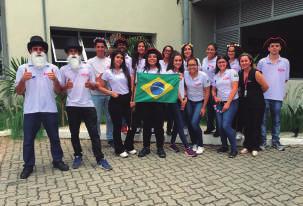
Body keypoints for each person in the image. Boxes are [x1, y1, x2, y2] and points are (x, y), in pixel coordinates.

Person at [15, 36, 69, 179]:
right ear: (30, 51)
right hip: (31, 110)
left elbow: (59, 91)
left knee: (54, 138)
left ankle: (57, 160)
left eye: (41, 49)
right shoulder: (23, 68)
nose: (38, 51)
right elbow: (19, 91)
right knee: (28, 141)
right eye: (35, 49)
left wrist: (55, 80)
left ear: (44, 51)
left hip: (49, 109)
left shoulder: (53, 68)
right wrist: (23, 80)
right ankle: (28, 166)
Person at [60, 38, 112, 170]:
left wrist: (92, 85)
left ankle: (100, 158)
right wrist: (65, 86)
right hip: (72, 106)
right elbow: (59, 89)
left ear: (79, 53)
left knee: (94, 134)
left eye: (76, 51)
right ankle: (78, 155)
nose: (73, 54)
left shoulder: (87, 67)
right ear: (67, 54)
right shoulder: (64, 69)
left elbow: (95, 86)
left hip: (88, 105)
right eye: (71, 51)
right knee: (74, 133)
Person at [98, 50, 136, 158]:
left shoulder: (127, 71)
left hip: (127, 99)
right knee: (117, 125)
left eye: (121, 58)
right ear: (113, 59)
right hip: (116, 100)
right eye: (117, 57)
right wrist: (111, 92)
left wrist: (132, 99)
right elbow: (100, 86)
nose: (119, 59)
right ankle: (119, 149)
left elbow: (132, 86)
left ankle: (129, 145)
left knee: (132, 125)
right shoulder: (108, 72)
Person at [257, 36, 290, 151]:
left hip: (278, 97)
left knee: (276, 120)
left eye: (277, 46)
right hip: (264, 96)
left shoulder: (285, 62)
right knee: (263, 120)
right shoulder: (262, 62)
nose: (274, 48)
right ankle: (263, 142)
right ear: (268, 48)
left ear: (280, 48)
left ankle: (276, 142)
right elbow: (258, 78)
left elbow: (285, 79)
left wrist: (281, 91)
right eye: (272, 46)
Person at [136, 48, 166, 158]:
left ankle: (160, 148)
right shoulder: (143, 71)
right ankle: (146, 147)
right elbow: (138, 85)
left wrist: (177, 78)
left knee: (159, 126)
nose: (152, 58)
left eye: (154, 57)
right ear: (147, 59)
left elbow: (167, 83)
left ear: (157, 59)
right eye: (150, 57)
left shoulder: (162, 70)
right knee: (147, 125)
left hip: (159, 102)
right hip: (146, 102)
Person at [166, 51, 197, 157]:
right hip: (173, 101)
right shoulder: (170, 73)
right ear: (172, 61)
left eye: (180, 60)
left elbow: (183, 87)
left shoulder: (181, 72)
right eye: (176, 60)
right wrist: (182, 99)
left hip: (182, 100)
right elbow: (173, 89)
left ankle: (172, 143)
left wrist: (185, 98)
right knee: (179, 123)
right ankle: (187, 148)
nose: (178, 62)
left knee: (177, 123)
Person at [238, 53, 269, 157]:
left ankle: (255, 147)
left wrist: (256, 94)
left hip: (257, 104)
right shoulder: (240, 73)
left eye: (246, 60)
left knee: (256, 124)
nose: (244, 63)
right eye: (242, 61)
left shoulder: (256, 73)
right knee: (247, 125)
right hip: (245, 104)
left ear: (250, 61)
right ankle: (247, 146)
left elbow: (265, 86)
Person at [87, 37, 113, 147]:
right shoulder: (90, 62)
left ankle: (110, 138)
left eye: (102, 47)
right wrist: (97, 82)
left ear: (105, 48)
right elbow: (88, 77)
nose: (100, 48)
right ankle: (96, 138)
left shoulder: (110, 61)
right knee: (96, 118)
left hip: (109, 93)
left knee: (110, 117)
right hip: (95, 95)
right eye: (98, 47)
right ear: (95, 48)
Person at [212, 56, 239, 158]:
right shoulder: (216, 76)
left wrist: (228, 103)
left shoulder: (232, 72)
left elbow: (235, 88)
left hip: (231, 102)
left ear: (227, 63)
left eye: (223, 62)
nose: (221, 64)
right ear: (217, 64)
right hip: (219, 104)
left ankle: (234, 149)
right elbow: (213, 89)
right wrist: (214, 96)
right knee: (220, 126)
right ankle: (224, 146)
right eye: (219, 62)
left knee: (226, 125)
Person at [184, 57, 210, 155]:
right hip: (190, 102)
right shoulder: (185, 74)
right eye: (190, 65)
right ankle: (194, 143)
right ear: (187, 66)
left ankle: (201, 145)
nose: (192, 67)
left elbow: (207, 92)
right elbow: (185, 86)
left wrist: (204, 107)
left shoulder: (203, 76)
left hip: (200, 102)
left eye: (194, 65)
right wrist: (185, 95)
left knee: (195, 123)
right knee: (190, 123)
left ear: (197, 65)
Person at [128, 40, 148, 137]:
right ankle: (137, 125)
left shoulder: (148, 58)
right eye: (139, 46)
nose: (141, 48)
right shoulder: (133, 60)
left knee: (146, 106)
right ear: (136, 48)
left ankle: (147, 125)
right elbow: (132, 75)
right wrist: (132, 87)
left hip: (146, 86)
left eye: (143, 46)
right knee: (136, 106)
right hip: (136, 85)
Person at [114, 37, 132, 134]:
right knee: (117, 107)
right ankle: (119, 125)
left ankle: (125, 125)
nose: (121, 46)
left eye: (123, 44)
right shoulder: (111, 58)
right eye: (119, 44)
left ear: (126, 47)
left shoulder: (130, 59)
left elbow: (132, 73)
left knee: (126, 107)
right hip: (115, 86)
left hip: (127, 85)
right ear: (116, 46)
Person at [226, 43, 244, 140]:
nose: (231, 53)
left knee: (239, 112)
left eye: (233, 51)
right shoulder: (226, 61)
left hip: (238, 90)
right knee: (231, 112)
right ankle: (231, 130)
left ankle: (239, 131)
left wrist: (240, 88)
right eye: (229, 51)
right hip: (228, 91)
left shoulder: (239, 62)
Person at [201, 43, 219, 137]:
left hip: (214, 87)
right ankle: (210, 126)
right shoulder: (204, 59)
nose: (209, 51)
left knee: (215, 108)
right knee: (208, 108)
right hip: (205, 87)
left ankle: (218, 129)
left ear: (215, 51)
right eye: (208, 49)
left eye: (212, 49)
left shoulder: (217, 60)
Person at [160, 45, 174, 136]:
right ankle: (159, 128)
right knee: (160, 110)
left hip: (170, 89)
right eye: (166, 50)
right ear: (163, 51)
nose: (167, 52)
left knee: (170, 110)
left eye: (169, 51)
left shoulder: (173, 63)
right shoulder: (159, 62)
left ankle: (169, 129)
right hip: (160, 89)